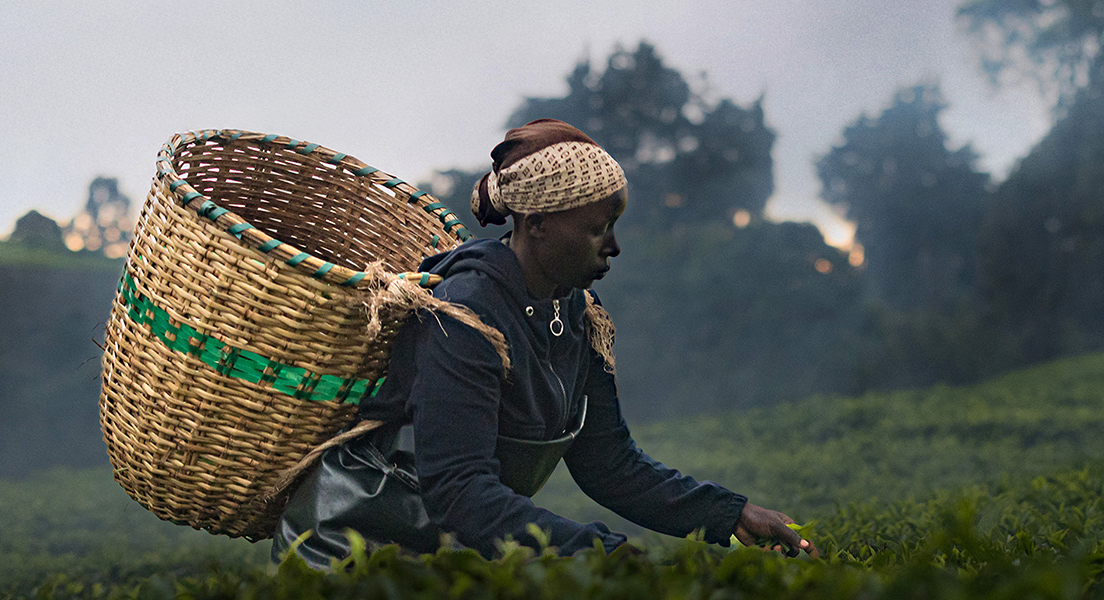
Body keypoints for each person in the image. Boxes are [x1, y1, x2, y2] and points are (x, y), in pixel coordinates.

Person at [273, 118, 816, 567]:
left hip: (447, 550)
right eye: (600, 227)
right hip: (350, 553)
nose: (615, 246)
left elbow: (609, 463)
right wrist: (600, 552)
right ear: (536, 224)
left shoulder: (580, 317)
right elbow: (459, 488)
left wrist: (732, 514)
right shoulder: (464, 313)